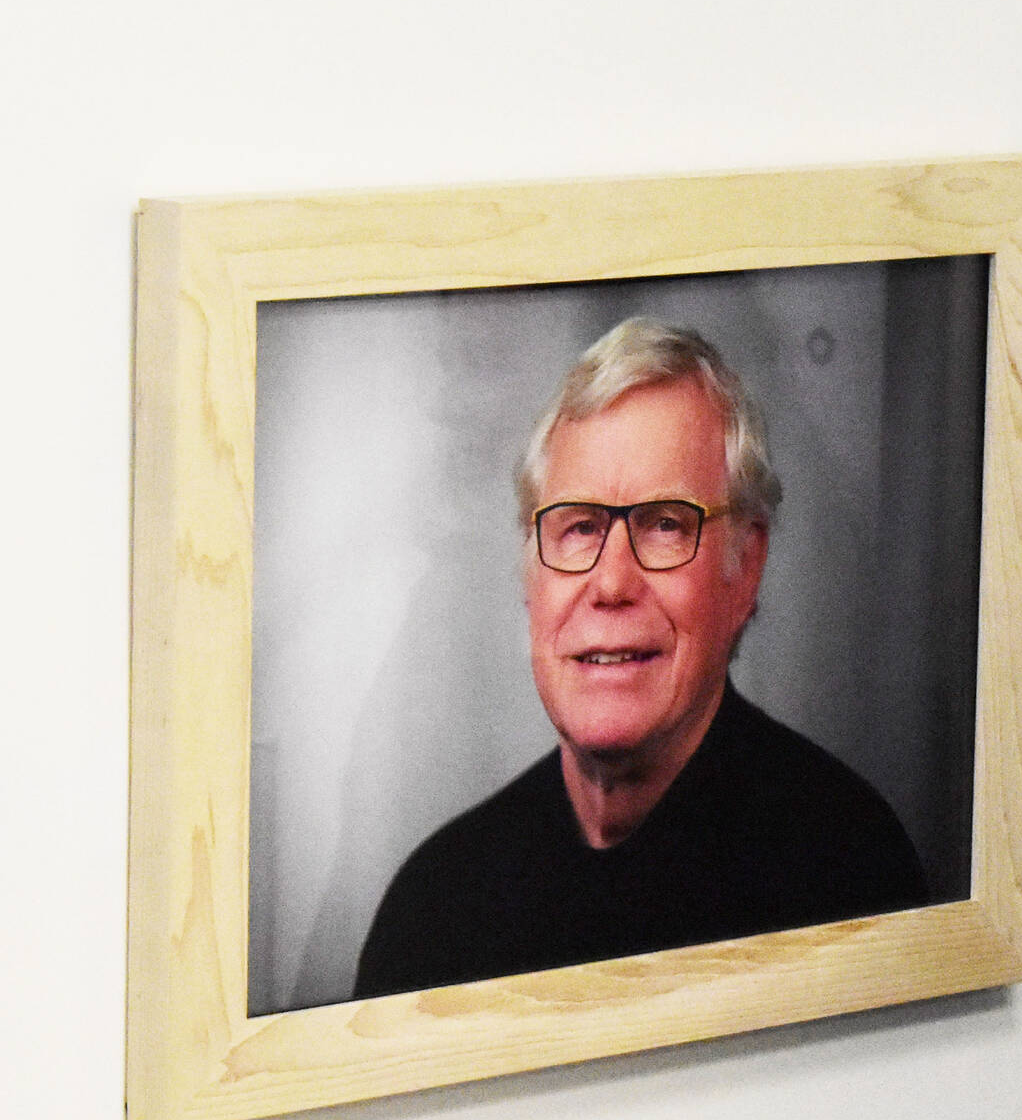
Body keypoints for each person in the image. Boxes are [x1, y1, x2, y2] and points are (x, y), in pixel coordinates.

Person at [355, 319, 929, 998]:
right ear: (530, 577)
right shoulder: (434, 907)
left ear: (746, 567)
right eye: (578, 528)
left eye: (664, 524)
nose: (612, 583)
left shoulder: (850, 871)